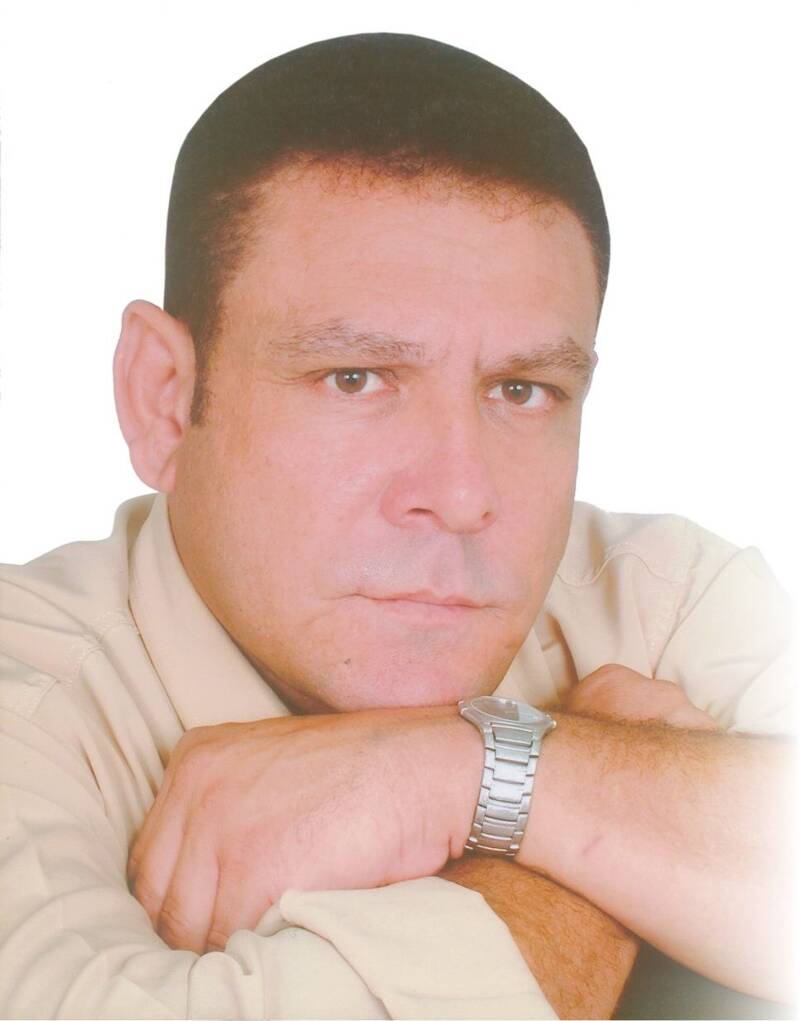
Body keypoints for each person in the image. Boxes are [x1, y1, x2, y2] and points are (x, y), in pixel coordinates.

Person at [0, 32, 794, 1020]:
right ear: (163, 398)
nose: (461, 495)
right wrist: (585, 866)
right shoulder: (24, 706)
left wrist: (463, 770)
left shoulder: (665, 602)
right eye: (355, 378)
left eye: (521, 389)